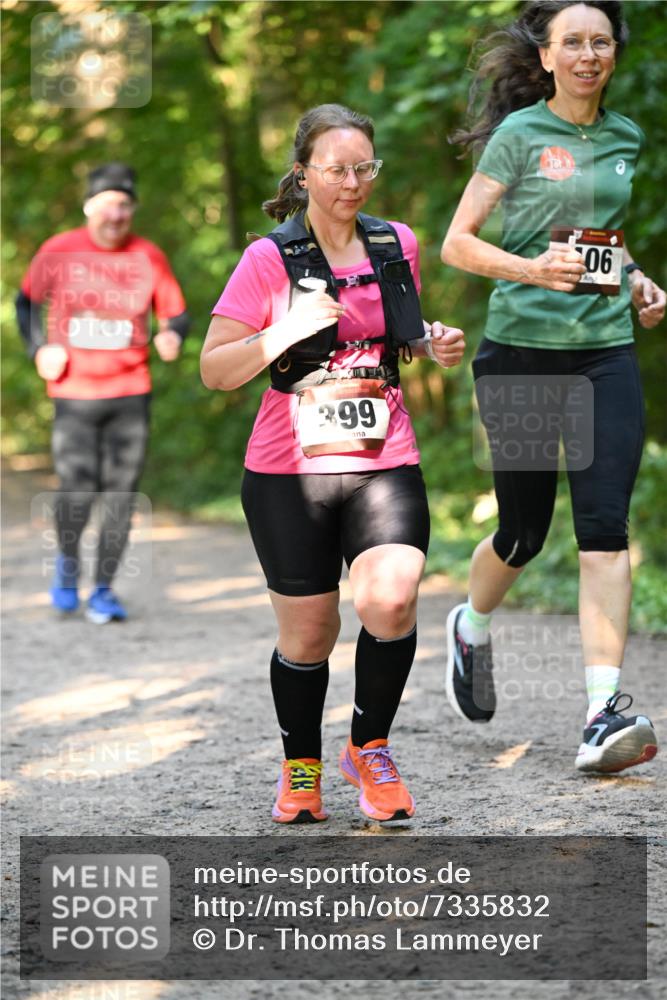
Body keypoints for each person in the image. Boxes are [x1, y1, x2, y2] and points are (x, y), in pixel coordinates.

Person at [201, 103, 465, 824]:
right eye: (336, 169)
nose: (352, 183)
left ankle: (369, 748)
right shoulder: (268, 259)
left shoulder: (394, 243)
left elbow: (398, 336)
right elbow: (215, 370)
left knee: (390, 599)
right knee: (310, 632)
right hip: (289, 468)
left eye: (363, 168)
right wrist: (283, 328)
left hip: (384, 453)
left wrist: (428, 342)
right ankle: (302, 768)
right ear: (303, 174)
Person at [441, 1, 664, 773]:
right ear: (544, 56)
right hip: (522, 353)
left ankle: (602, 713)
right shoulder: (517, 136)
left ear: (611, 54)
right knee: (523, 533)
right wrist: (531, 268)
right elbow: (457, 244)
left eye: (600, 41)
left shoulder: (626, 137)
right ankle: (470, 623)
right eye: (572, 42)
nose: (587, 54)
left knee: (603, 529)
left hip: (603, 353)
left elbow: (606, 235)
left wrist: (637, 281)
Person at [16, 163, 189, 623]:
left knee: (121, 494)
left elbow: (176, 313)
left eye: (125, 206)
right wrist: (39, 348)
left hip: (131, 391)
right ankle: (68, 567)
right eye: (108, 205)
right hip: (73, 391)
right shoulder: (58, 250)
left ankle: (104, 589)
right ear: (89, 207)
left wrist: (172, 335)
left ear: (133, 210)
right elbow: (25, 303)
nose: (117, 215)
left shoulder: (148, 256)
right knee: (76, 489)